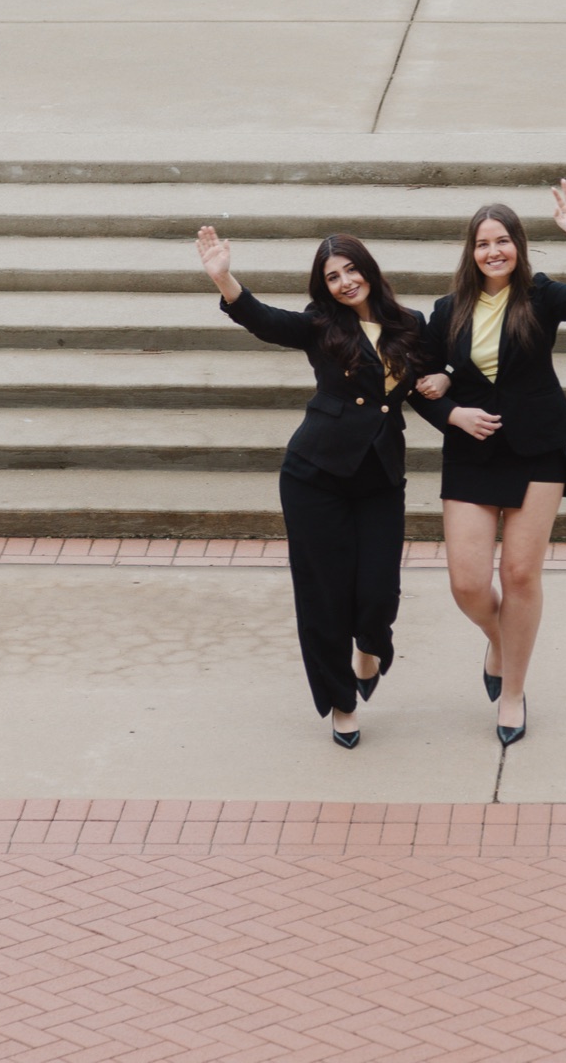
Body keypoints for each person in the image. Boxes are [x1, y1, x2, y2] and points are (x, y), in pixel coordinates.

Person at [195, 225, 447, 750]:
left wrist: (445, 383)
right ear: (324, 285)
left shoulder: (410, 324)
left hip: (379, 477)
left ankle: (371, 649)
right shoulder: (319, 325)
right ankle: (341, 703)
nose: (345, 282)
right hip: (315, 477)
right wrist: (225, 279)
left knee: (378, 592)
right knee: (323, 597)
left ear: (369, 271)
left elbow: (425, 383)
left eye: (351, 270)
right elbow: (265, 322)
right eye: (333, 276)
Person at [416, 181, 566, 746]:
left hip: (537, 449)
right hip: (473, 452)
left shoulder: (542, 296)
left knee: (520, 575)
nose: (493, 251)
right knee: (468, 584)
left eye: (503, 241)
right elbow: (418, 382)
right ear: (470, 253)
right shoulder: (448, 310)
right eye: (482, 243)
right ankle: (499, 640)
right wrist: (453, 413)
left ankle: (514, 692)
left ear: (519, 247)